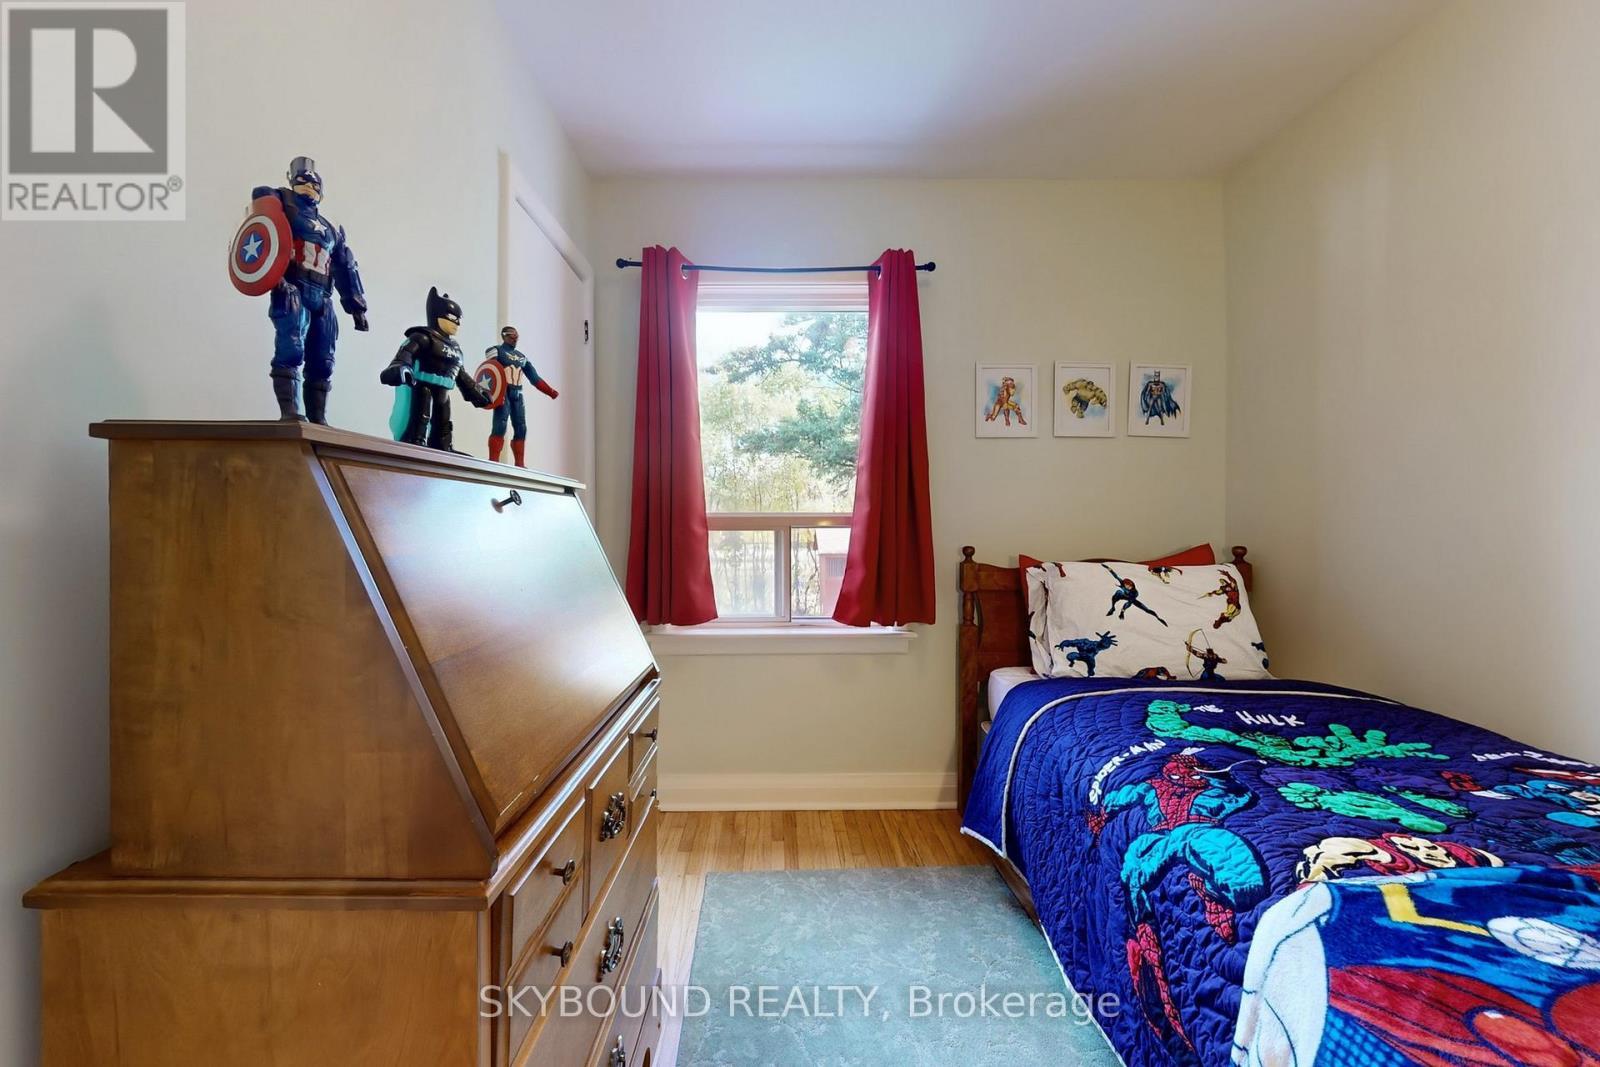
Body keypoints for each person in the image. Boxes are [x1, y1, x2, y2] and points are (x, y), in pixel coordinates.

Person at [484, 326, 558, 466]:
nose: (515, 337)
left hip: (517, 394)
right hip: (503, 392)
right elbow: (490, 371)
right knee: (500, 425)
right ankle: (493, 461)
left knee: (521, 427)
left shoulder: (522, 357)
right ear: (504, 336)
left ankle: (520, 463)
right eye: (511, 335)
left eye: (516, 335)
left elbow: (534, 378)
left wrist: (550, 391)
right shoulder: (496, 350)